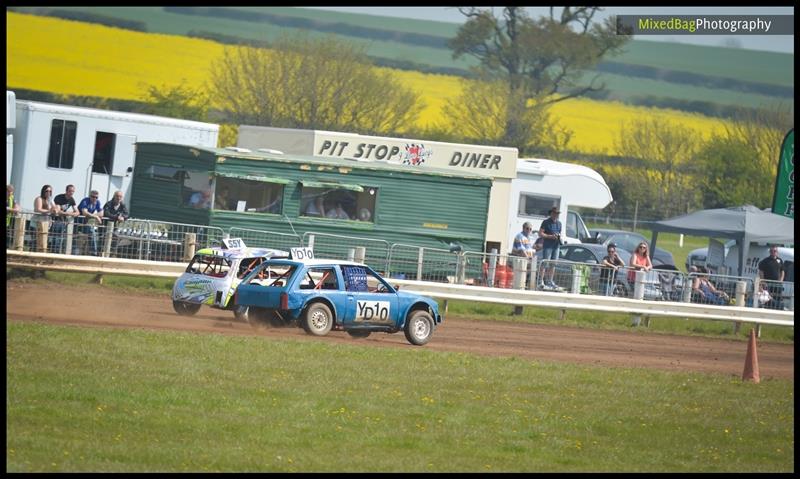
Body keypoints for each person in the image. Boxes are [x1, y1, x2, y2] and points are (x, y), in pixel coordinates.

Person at [52, 184, 81, 254]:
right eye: (70, 191)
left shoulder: (71, 199)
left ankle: (58, 252)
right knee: (56, 237)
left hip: (63, 220)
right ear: (66, 191)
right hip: (54, 219)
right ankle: (54, 252)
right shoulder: (59, 197)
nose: (71, 193)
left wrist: (71, 213)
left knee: (61, 237)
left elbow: (77, 212)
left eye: (73, 191)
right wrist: (69, 213)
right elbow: (58, 211)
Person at [538, 207, 563, 290]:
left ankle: (550, 280)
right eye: (555, 213)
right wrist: (549, 236)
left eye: (558, 213)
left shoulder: (559, 223)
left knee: (553, 264)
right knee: (545, 263)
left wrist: (558, 237)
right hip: (548, 245)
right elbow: (540, 233)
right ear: (551, 213)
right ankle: (540, 280)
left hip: (556, 246)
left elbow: (559, 233)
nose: (556, 215)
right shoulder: (546, 222)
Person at [758, 245, 785, 310]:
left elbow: (782, 271)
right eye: (771, 251)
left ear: (777, 252)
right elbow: (761, 271)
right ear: (770, 252)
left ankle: (777, 310)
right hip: (768, 284)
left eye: (775, 251)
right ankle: (768, 310)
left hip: (777, 284)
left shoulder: (780, 260)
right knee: (768, 299)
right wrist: (763, 281)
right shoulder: (765, 261)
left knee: (778, 298)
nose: (773, 252)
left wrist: (781, 281)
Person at [32, 184, 57, 253]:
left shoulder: (50, 200)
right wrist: (49, 211)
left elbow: (55, 209)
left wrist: (55, 210)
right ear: (43, 191)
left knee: (44, 242)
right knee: (35, 242)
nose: (48, 193)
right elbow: (38, 209)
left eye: (50, 191)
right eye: (47, 191)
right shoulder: (39, 198)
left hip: (46, 224)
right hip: (37, 223)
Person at [78, 190, 104, 256]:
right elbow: (84, 212)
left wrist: (93, 216)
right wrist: (96, 217)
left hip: (85, 223)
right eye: (93, 197)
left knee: (92, 233)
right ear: (90, 196)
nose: (94, 198)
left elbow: (101, 213)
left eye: (96, 197)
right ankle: (93, 253)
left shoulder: (97, 202)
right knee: (91, 231)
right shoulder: (85, 201)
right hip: (77, 222)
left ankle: (93, 253)